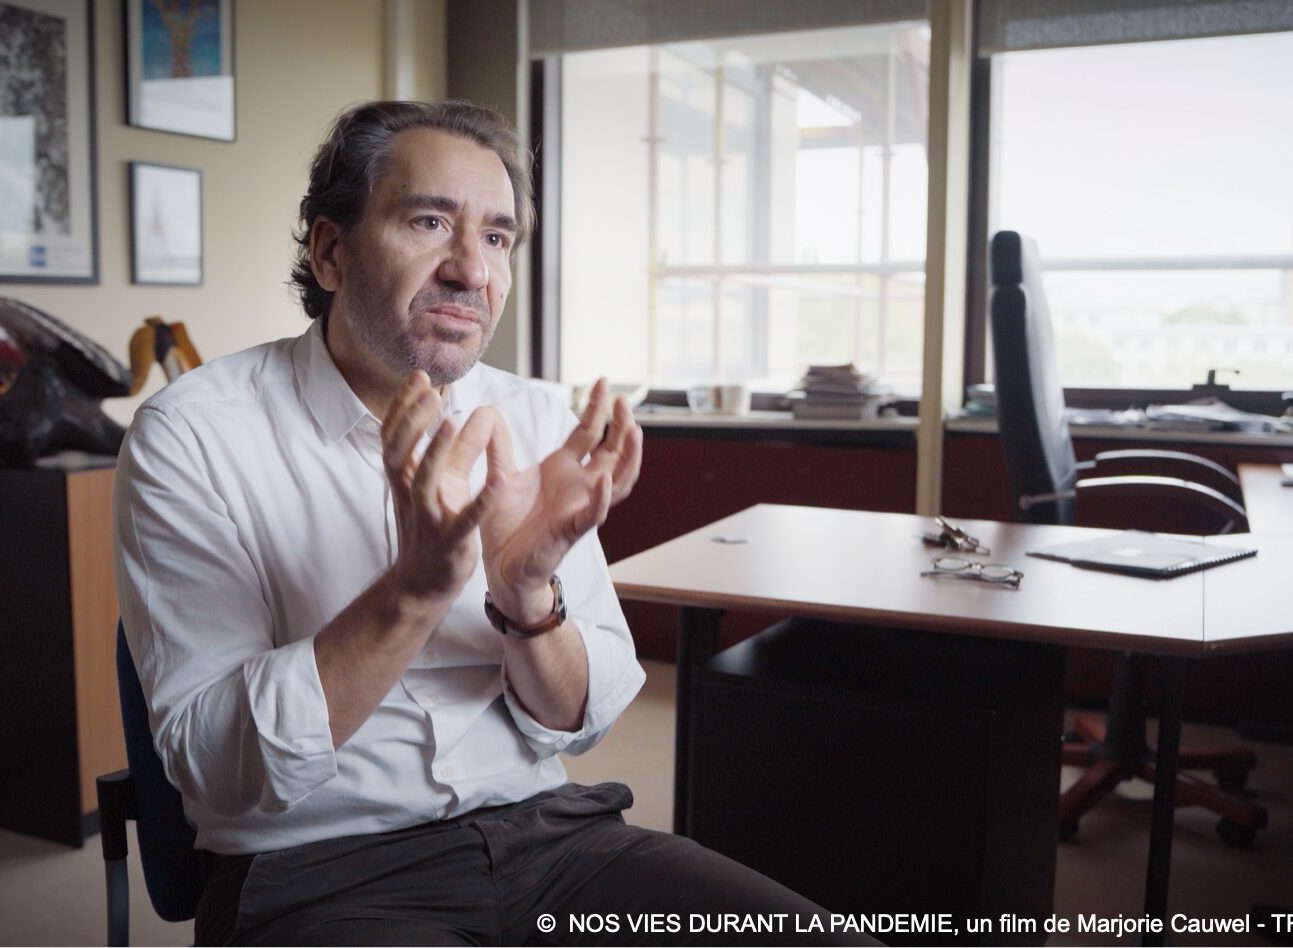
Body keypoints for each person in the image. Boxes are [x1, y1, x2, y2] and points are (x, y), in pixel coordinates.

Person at [114, 100, 875, 946]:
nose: (471, 270)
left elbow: (586, 717)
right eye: (429, 222)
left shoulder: (537, 420)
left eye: (498, 236)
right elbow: (217, 769)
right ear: (331, 253)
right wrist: (413, 591)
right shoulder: (192, 435)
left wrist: (526, 597)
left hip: (553, 842)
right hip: (320, 873)